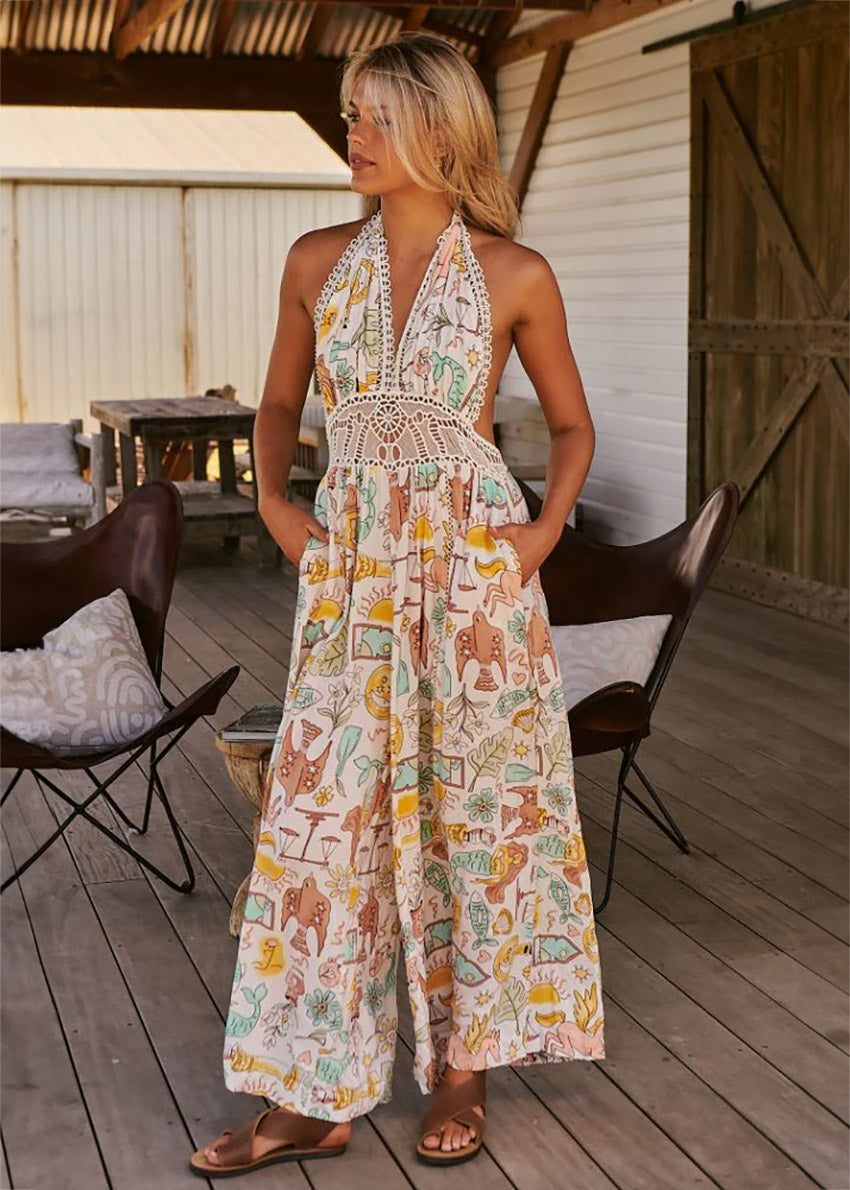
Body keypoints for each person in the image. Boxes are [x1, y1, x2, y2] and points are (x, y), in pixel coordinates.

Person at [190, 30, 605, 1179]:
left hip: (474, 577)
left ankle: (462, 1067)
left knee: (475, 815)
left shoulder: (516, 273)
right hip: (355, 570)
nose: (351, 136)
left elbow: (570, 427)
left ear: (436, 127)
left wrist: (536, 535)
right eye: (348, 114)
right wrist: (274, 503)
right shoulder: (317, 258)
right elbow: (276, 402)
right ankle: (310, 1090)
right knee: (323, 821)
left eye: (371, 116)